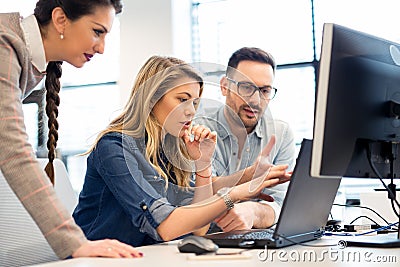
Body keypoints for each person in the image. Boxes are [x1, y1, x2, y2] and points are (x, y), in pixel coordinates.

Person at [73, 55, 286, 247]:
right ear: (152, 97)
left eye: (195, 102)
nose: (191, 111)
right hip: (96, 259)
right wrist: (237, 193)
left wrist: (203, 164)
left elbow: (198, 227)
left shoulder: (171, 149)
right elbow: (166, 227)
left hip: (145, 258)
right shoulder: (114, 147)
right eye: (182, 99)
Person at [0, 0, 142, 259]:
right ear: (60, 19)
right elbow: (13, 152)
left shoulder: (25, 56)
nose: (101, 48)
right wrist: (75, 243)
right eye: (97, 31)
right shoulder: (4, 45)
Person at [199, 47, 296, 231]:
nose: (255, 100)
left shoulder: (281, 134)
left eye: (265, 90)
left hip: (256, 245)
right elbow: (196, 198)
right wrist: (250, 177)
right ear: (224, 86)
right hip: (203, 243)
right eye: (246, 87)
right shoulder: (199, 130)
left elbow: (281, 205)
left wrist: (253, 211)